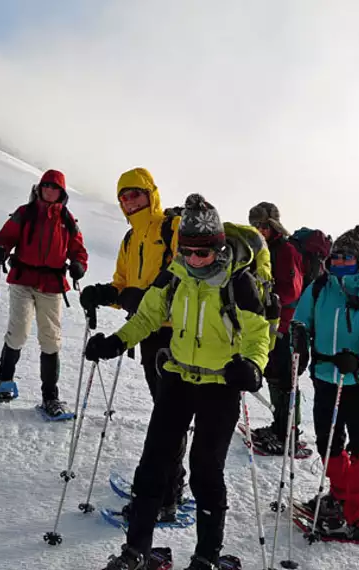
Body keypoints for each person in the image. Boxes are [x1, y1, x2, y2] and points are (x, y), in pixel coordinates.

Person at [86, 194, 270, 570]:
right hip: (177, 378)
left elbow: (257, 334)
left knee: (205, 470)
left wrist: (252, 366)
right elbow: (148, 317)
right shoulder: (175, 275)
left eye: (201, 253)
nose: (193, 259)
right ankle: (135, 551)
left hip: (220, 386)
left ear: (218, 247)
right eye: (186, 251)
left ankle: (206, 557)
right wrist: (118, 341)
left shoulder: (240, 283)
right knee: (153, 464)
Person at [79, 167, 185, 520]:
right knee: (165, 412)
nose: (129, 201)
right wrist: (106, 293)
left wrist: (139, 298)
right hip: (146, 333)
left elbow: (182, 282)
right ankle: (169, 487)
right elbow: (125, 287)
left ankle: (166, 497)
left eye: (135, 194)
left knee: (168, 417)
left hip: (173, 333)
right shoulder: (130, 239)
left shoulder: (170, 229)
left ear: (150, 193)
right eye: (123, 196)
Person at [293, 229, 359, 540]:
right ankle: (341, 495)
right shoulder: (319, 288)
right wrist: (298, 343)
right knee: (329, 442)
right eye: (335, 257)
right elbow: (302, 322)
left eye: (346, 257)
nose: (339, 262)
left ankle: (356, 514)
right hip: (326, 377)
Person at [0, 170, 88, 418]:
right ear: (40, 188)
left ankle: (50, 397)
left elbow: (78, 249)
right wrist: (0, 249)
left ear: (62, 193)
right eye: (46, 186)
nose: (50, 191)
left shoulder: (67, 219)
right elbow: (6, 236)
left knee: (50, 338)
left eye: (55, 188)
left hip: (52, 284)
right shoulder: (25, 213)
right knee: (19, 329)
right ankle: (4, 382)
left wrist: (79, 265)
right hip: (23, 279)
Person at [247, 202, 305, 455]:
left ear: (272, 225)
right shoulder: (262, 248)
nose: (258, 230)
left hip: (284, 324)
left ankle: (289, 433)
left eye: (262, 226)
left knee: (285, 380)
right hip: (268, 323)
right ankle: (281, 426)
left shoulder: (286, 250)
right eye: (254, 226)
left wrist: (267, 297)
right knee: (273, 375)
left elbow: (293, 290)